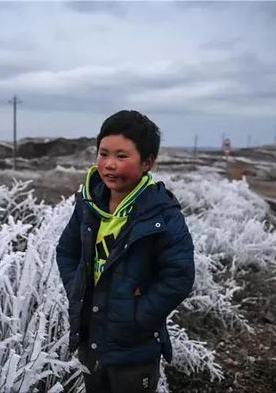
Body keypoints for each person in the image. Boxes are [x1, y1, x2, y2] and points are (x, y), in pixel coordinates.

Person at [56, 110, 195, 393]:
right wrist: (77, 289)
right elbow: (67, 252)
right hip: (90, 337)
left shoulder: (162, 213)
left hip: (135, 349)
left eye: (121, 156)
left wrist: (137, 319)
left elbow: (179, 276)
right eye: (103, 153)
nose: (109, 165)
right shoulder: (89, 203)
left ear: (147, 162)